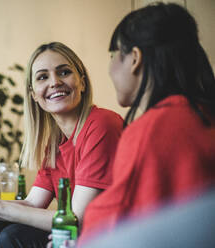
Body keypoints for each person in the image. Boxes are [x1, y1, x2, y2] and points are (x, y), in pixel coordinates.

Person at [0, 42, 123, 247]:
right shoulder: (55, 142)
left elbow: (78, 220)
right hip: (83, 234)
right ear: (34, 95)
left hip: (111, 237)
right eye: (42, 77)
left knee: (11, 236)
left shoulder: (102, 124)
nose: (55, 82)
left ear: (82, 83)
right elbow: (32, 203)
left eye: (64, 72)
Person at [78, 3, 215, 246]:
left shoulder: (152, 129)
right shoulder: (203, 113)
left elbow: (113, 221)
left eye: (112, 56)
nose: (110, 68)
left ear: (135, 59)